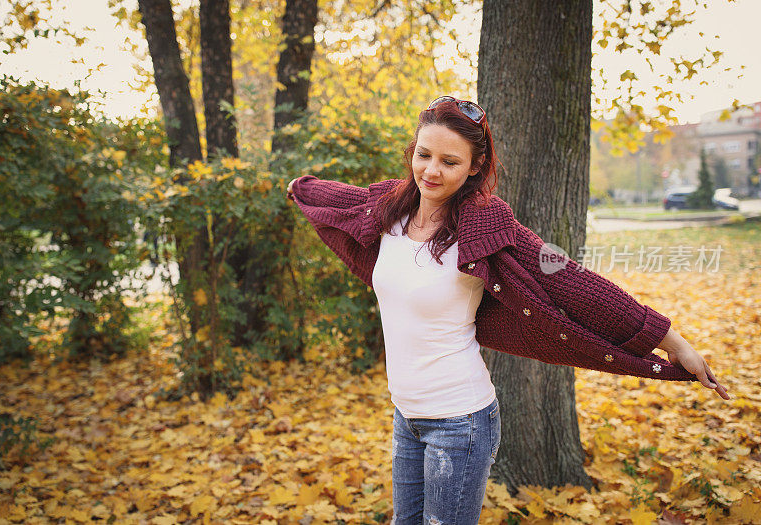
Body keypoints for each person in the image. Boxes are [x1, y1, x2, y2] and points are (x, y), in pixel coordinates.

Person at [286, 96, 730, 524]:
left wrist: (673, 341)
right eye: (424, 155)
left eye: (450, 161)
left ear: (476, 167)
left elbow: (575, 283)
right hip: (407, 416)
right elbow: (333, 197)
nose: (431, 171)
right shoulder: (388, 211)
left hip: (459, 423)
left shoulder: (486, 228)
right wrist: (298, 188)